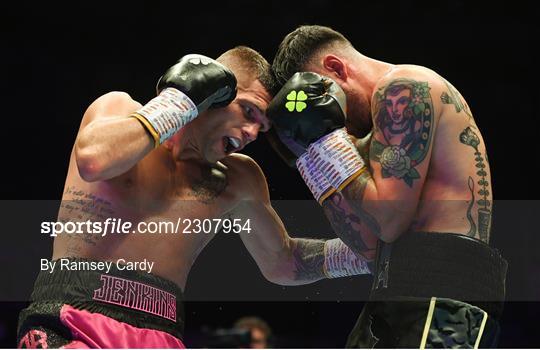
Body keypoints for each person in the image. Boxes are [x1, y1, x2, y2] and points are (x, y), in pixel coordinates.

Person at [17, 46, 371, 349]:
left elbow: (283, 260)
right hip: (74, 320)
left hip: (163, 334)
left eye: (260, 128)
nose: (250, 133)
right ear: (212, 92)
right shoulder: (119, 109)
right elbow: (94, 159)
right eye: (248, 111)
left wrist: (368, 256)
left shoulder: (239, 178)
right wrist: (179, 100)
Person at [268, 25, 508, 348]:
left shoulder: (403, 86)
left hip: (445, 302)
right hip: (394, 292)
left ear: (336, 69)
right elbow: (367, 244)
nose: (341, 125)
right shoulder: (369, 139)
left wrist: (326, 141)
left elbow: (388, 221)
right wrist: (311, 158)